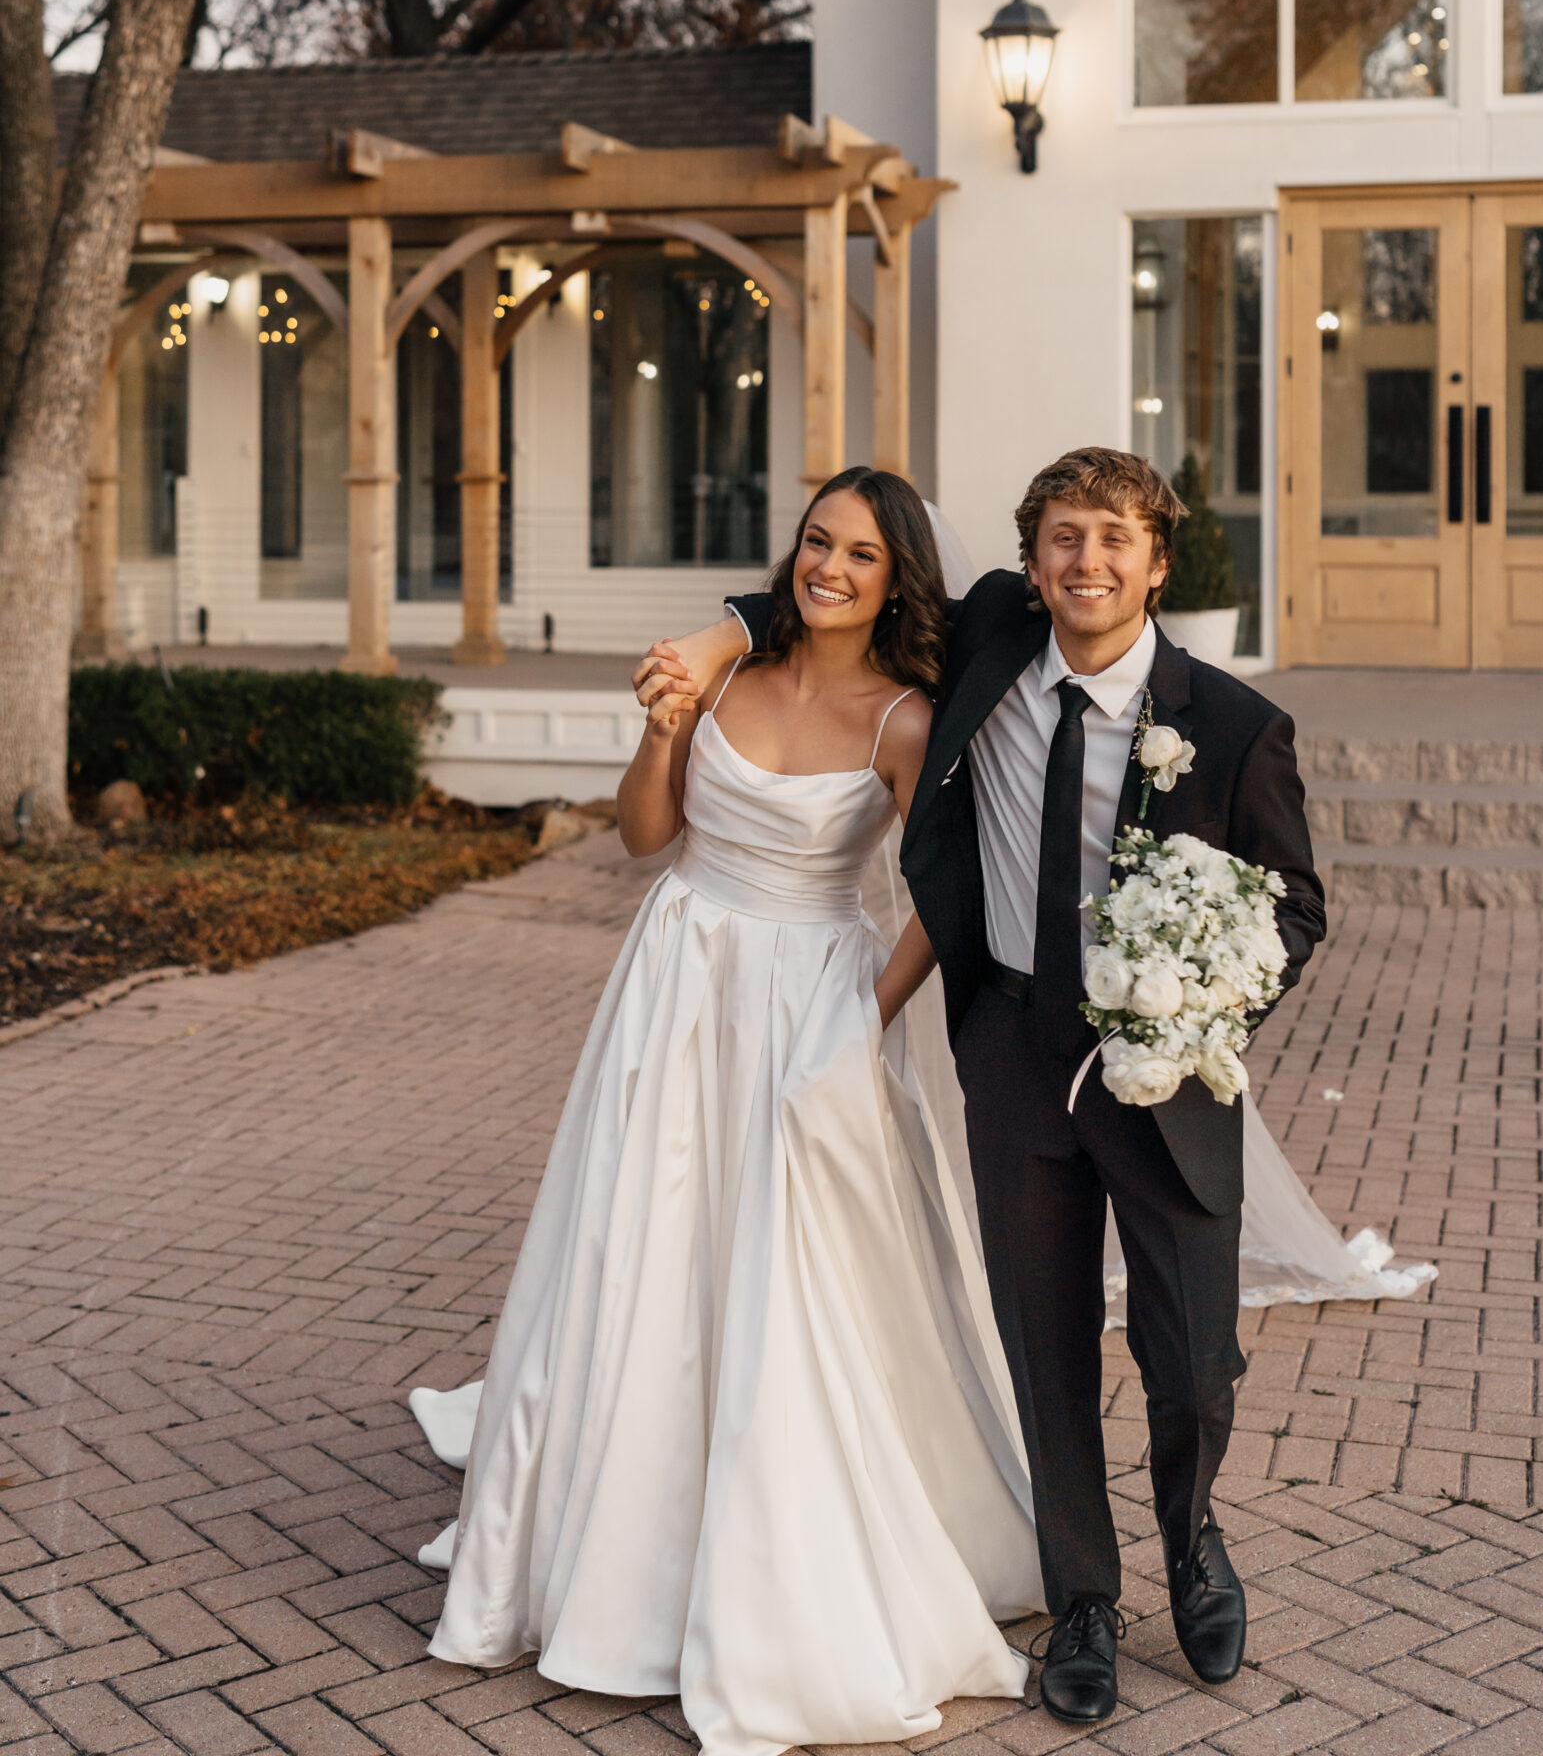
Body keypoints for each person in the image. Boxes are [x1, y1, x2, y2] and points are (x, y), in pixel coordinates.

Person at [643, 446, 1327, 1714]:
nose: (1088, 562)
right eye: (1065, 537)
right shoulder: (991, 645)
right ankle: (1082, 1597)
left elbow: (1294, 907)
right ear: (1029, 563)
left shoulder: (1235, 726)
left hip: (1164, 1077)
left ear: (1158, 563)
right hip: (1012, 1051)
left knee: (1193, 1360)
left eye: (1116, 539)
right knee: (1044, 1342)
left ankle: (1193, 1541)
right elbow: (843, 584)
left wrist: (1206, 990)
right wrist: (715, 633)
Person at [417, 468, 1042, 1756]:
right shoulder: (728, 673)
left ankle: (766, 1548)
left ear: (894, 578)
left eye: (861, 554)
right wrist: (667, 721)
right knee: (642, 1240)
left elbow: (949, 888)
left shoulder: (905, 721)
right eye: (817, 541)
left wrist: (861, 1014)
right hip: (676, 975)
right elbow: (645, 835)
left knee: (785, 1272)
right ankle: (623, 1525)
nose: (829, 567)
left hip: (809, 987)